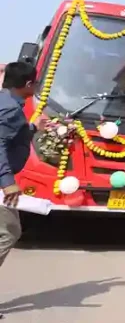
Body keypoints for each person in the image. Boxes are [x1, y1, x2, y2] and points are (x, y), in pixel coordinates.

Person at [1, 62, 34, 274]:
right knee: (8, 232)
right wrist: (7, 182)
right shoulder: (10, 109)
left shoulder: (6, 102)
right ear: (28, 84)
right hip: (2, 181)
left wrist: (31, 129)